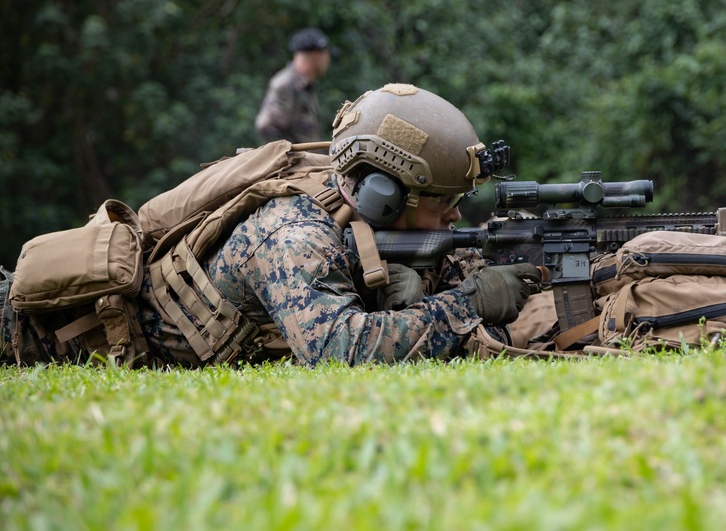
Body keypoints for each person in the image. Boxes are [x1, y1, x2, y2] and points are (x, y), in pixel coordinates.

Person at [1, 84, 541, 368]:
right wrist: (469, 303)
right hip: (32, 332)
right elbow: (340, 351)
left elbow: (443, 255)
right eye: (444, 201)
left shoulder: (350, 204)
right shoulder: (292, 236)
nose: (454, 215)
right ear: (385, 194)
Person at [254, 28, 333, 144]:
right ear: (317, 55)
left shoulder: (305, 85)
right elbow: (266, 126)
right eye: (326, 54)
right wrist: (292, 158)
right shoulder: (286, 84)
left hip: (312, 161)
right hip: (298, 161)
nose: (328, 60)